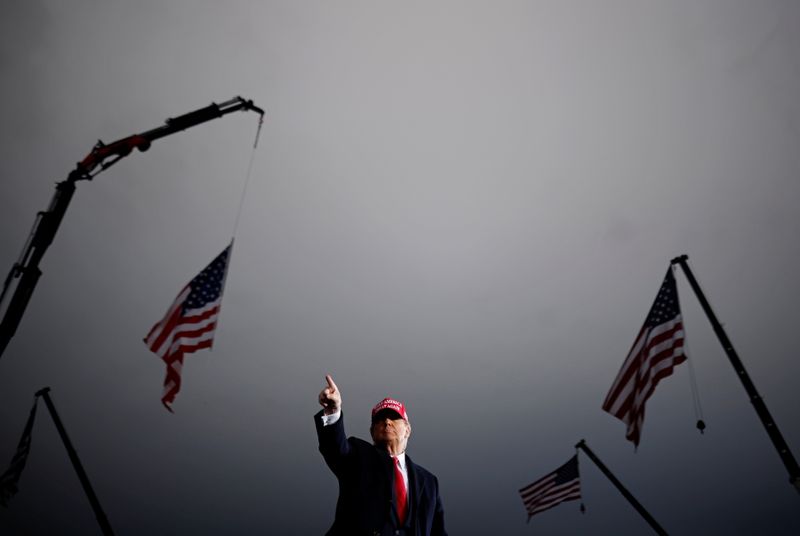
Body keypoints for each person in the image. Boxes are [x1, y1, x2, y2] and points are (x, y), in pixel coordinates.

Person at [315, 374, 447, 536]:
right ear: (372, 432)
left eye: (394, 418)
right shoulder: (358, 456)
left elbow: (437, 531)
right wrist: (332, 410)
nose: (386, 422)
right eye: (379, 419)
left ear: (408, 429)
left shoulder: (428, 481)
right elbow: (335, 448)